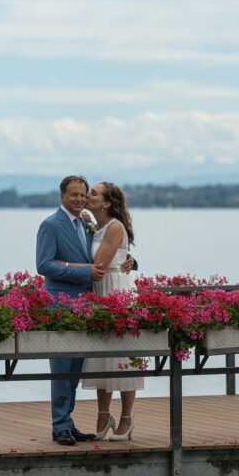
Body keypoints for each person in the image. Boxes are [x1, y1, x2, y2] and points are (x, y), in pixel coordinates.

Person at [36, 175, 100, 445]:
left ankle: (68, 421)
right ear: (62, 196)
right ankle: (59, 425)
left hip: (85, 304)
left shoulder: (87, 224)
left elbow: (98, 256)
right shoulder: (50, 224)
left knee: (75, 370)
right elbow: (44, 265)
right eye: (73, 194)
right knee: (61, 368)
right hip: (60, 304)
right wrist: (82, 271)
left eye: (82, 195)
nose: (78, 199)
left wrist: (130, 262)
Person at [81, 181, 141, 441]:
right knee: (101, 355)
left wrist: (62, 264)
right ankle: (103, 415)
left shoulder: (115, 227)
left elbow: (99, 264)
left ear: (106, 203)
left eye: (93, 193)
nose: (87, 195)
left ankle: (127, 418)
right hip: (101, 290)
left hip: (116, 291)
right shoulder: (97, 226)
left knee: (123, 357)